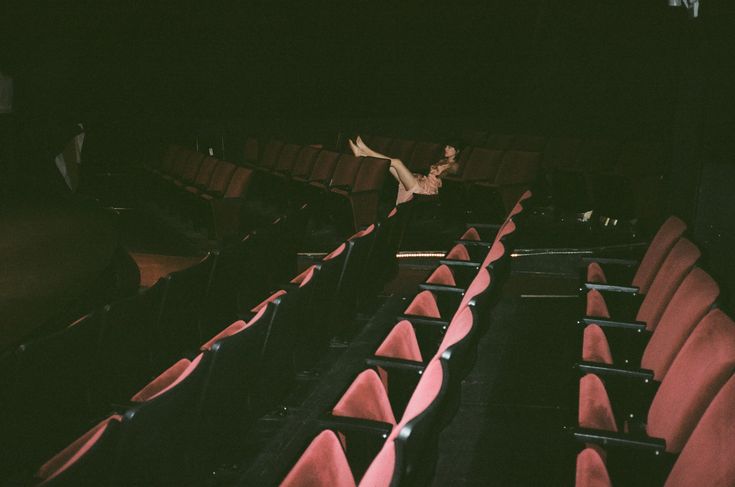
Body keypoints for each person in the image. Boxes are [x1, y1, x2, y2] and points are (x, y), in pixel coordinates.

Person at [349, 135, 461, 204]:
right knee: (392, 165)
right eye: (446, 146)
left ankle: (366, 151)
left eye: (450, 147)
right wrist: (420, 176)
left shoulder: (454, 166)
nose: (446, 148)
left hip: (426, 191)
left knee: (397, 162)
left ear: (457, 151)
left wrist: (437, 176)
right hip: (420, 183)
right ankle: (363, 154)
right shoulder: (442, 161)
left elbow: (447, 182)